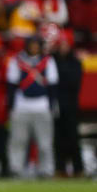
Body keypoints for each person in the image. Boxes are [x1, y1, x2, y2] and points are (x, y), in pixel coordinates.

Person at [5, 35, 58, 178]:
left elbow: (52, 86)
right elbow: (11, 85)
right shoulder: (16, 61)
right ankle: (16, 168)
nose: (34, 48)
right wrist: (11, 107)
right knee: (18, 141)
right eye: (32, 45)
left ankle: (46, 170)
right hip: (21, 105)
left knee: (44, 143)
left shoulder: (48, 61)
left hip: (42, 105)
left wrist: (51, 106)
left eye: (36, 45)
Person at [51, 29, 83, 177]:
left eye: (65, 44)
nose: (63, 47)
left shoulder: (75, 62)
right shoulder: (52, 60)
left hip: (70, 105)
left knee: (73, 138)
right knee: (58, 139)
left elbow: (73, 82)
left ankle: (78, 169)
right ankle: (60, 168)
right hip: (57, 105)